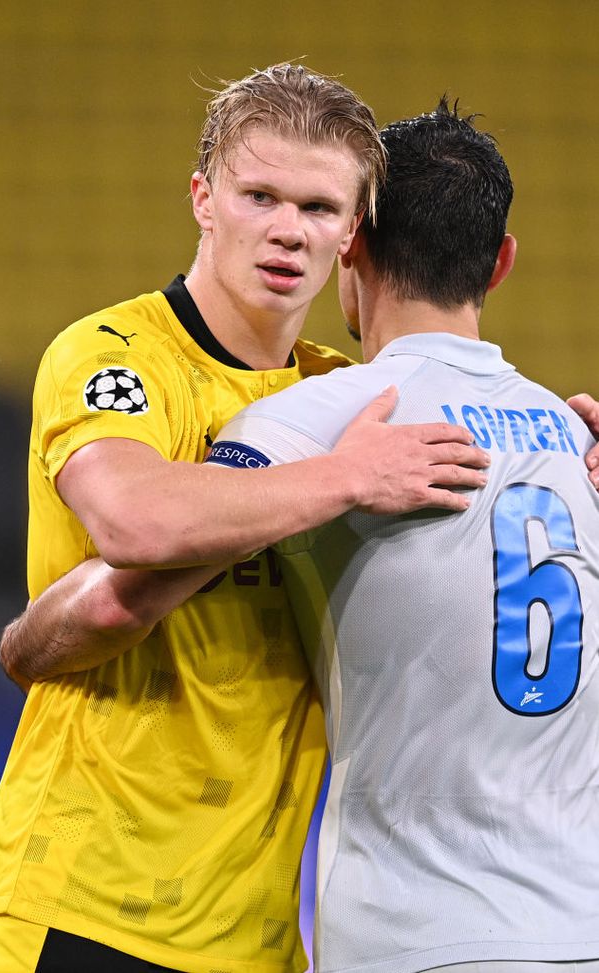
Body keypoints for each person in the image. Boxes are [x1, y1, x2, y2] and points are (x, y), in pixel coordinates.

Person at [0, 68, 489, 973]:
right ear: (204, 200)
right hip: (86, 902)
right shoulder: (117, 355)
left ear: (351, 234)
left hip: (257, 934)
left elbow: (476, 456)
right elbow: (133, 518)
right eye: (259, 195)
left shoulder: (343, 395)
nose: (288, 228)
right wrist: (340, 478)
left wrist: (568, 442)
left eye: (320, 208)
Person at [202, 99, 599, 973]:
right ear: (500, 264)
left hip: (413, 932)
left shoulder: (316, 417)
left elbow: (153, 553)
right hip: (580, 928)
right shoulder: (572, 437)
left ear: (353, 248)